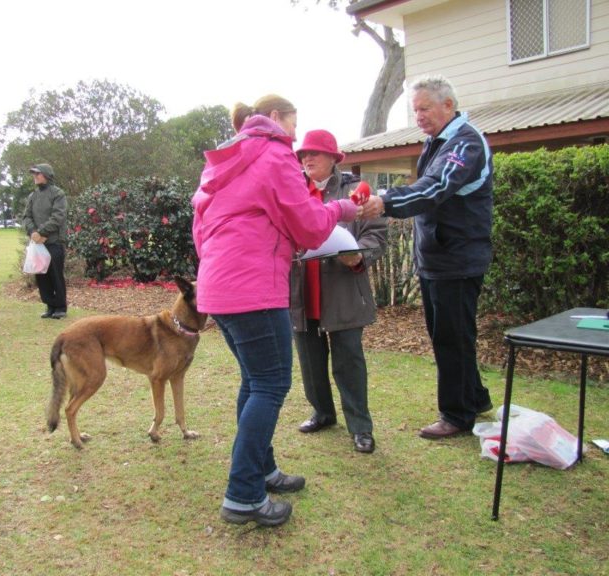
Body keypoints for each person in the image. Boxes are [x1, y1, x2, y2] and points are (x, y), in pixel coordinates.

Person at [192, 95, 360, 527]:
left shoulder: (223, 160)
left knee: (254, 381)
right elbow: (307, 223)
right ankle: (243, 495)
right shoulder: (275, 155)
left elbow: (201, 224)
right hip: (253, 289)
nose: (295, 136)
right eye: (293, 124)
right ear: (276, 119)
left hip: (218, 286)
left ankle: (261, 471)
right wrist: (342, 208)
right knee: (270, 383)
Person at [358, 75, 494, 439]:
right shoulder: (438, 141)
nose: (418, 116)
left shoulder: (465, 144)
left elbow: (435, 187)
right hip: (439, 260)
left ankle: (457, 415)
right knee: (451, 335)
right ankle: (476, 398)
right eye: (414, 109)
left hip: (457, 261)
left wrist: (386, 202)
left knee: (452, 338)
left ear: (448, 105)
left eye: (424, 108)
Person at [290, 130, 387, 454]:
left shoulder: (356, 192)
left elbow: (376, 236)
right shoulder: (292, 191)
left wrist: (360, 256)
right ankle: (322, 412)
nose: (307, 159)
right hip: (301, 294)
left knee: (349, 362)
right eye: (303, 154)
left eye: (315, 153)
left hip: (344, 291)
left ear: (334, 158)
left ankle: (360, 427)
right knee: (309, 360)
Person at [22, 163, 68, 319]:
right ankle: (50, 306)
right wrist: (33, 232)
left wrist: (42, 232)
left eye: (38, 174)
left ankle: (60, 306)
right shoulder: (32, 196)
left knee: (56, 275)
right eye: (34, 174)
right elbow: (26, 217)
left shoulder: (58, 194)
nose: (35, 176)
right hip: (38, 243)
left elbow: (58, 216)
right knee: (41, 276)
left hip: (54, 242)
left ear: (47, 175)